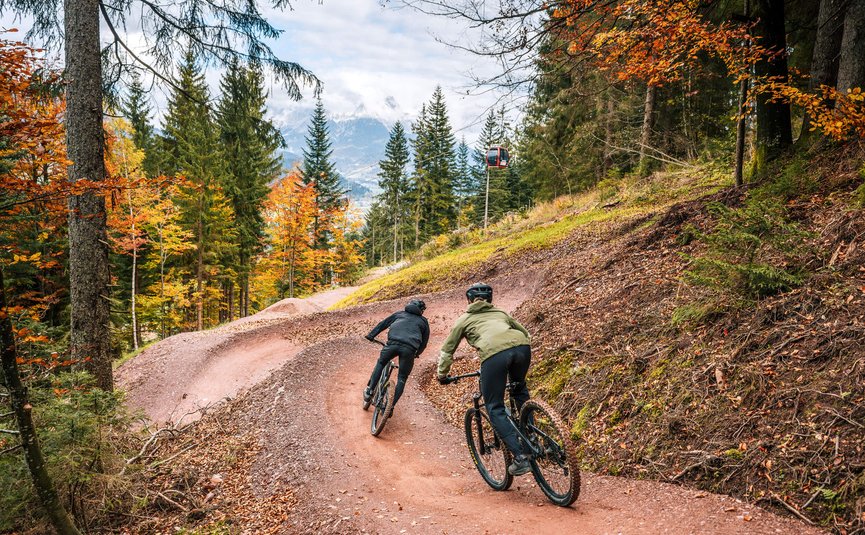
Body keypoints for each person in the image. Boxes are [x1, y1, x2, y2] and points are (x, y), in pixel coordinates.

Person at [437, 282, 533, 476]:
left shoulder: (464, 319)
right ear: (490, 299)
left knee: (494, 406)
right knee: (519, 389)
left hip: (494, 355)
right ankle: (534, 438)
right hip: (522, 348)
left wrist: (442, 374)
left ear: (469, 300)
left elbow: (448, 350)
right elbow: (524, 333)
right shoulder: (501, 313)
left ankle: (521, 458)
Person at [364, 299, 430, 414]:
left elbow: (383, 324)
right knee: (402, 378)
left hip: (392, 344)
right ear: (422, 311)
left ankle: (369, 391)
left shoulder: (399, 314)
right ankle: (390, 407)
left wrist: (371, 335)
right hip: (409, 349)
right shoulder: (423, 322)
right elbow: (424, 343)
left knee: (381, 363)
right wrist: (417, 354)